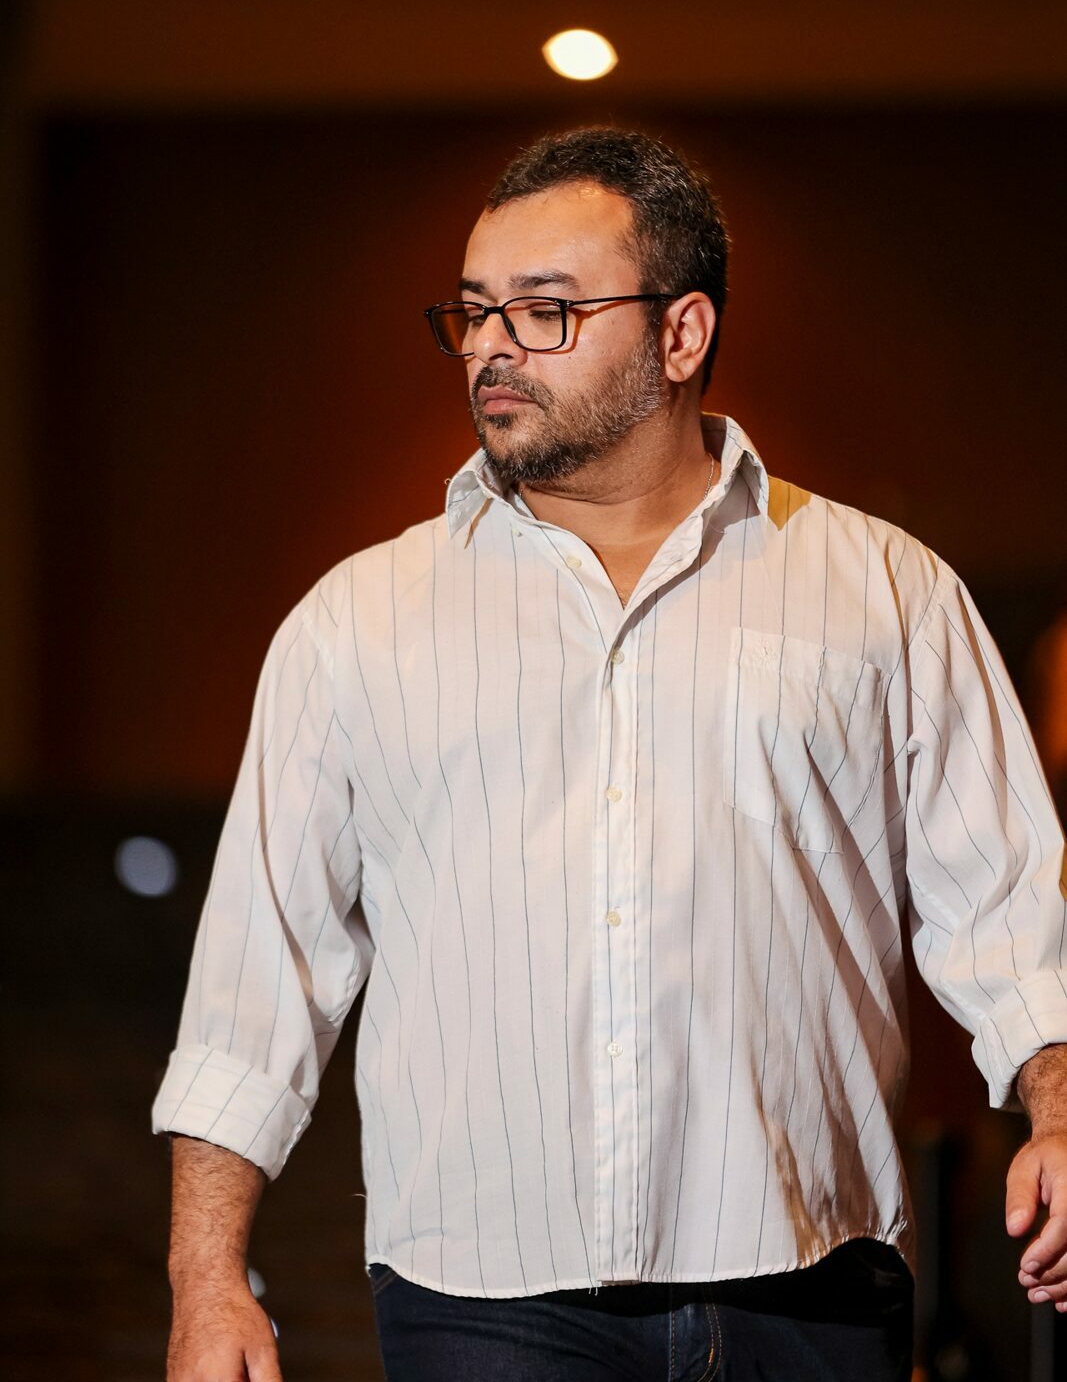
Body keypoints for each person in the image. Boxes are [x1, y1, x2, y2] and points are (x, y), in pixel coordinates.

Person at [153, 127, 1067, 1382]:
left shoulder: (884, 593)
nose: (490, 347)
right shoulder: (354, 625)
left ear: (680, 333)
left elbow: (1009, 904)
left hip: (807, 1275)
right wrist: (206, 1276)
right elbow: (256, 981)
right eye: (474, 311)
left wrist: (1056, 1108)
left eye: (544, 311)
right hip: (480, 1296)